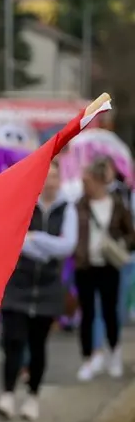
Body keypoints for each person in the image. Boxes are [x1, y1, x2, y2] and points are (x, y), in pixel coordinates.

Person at [0, 159, 76, 420]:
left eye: (55, 176)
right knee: (13, 339)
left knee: (38, 343)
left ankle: (32, 396)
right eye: (46, 176)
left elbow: (67, 246)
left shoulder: (67, 209)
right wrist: (42, 246)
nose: (50, 182)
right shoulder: (25, 202)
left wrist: (36, 240)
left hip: (48, 286)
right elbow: (13, 237)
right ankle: (7, 393)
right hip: (19, 283)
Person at [73, 158, 135, 381]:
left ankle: (114, 352)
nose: (84, 185)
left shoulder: (117, 204)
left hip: (109, 265)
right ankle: (89, 357)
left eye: (87, 181)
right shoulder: (79, 205)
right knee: (87, 313)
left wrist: (121, 245)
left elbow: (131, 234)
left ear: (98, 181)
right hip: (85, 266)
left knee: (111, 312)